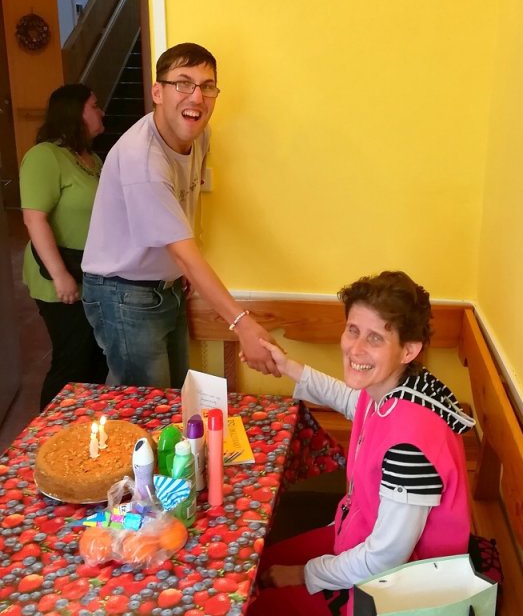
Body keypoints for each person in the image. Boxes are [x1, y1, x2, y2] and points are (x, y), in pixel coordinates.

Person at [247, 270, 475, 616]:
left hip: (398, 590)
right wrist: (288, 367)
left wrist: (305, 573)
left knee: (252, 604)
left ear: (408, 350)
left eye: (375, 338)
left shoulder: (410, 449)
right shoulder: (394, 388)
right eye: (353, 330)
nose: (356, 348)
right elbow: (351, 400)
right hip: (359, 534)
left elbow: (385, 558)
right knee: (255, 568)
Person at [82, 42, 279, 388]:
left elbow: (188, 206)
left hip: (166, 286)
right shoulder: (143, 160)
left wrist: (178, 272)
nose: (197, 97)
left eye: (207, 86)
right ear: (157, 92)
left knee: (174, 396)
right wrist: (243, 325)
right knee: (145, 405)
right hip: (123, 292)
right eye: (183, 83)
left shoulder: (200, 137)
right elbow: (185, 254)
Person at [20, 84, 109, 409]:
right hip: (61, 274)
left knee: (96, 361)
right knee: (72, 361)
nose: (101, 112)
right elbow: (34, 219)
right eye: (94, 106)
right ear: (75, 112)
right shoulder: (45, 156)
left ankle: (85, 428)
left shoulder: (91, 159)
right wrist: (60, 276)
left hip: (91, 273)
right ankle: (48, 432)